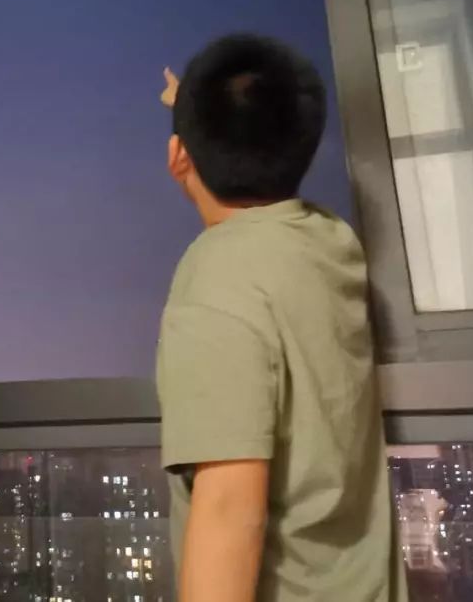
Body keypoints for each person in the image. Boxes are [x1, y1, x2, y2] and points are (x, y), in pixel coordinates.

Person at [156, 35, 404, 602]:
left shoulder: (217, 285)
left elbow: (228, 510)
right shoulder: (329, 240)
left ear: (178, 157)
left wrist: (192, 117)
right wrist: (195, 110)